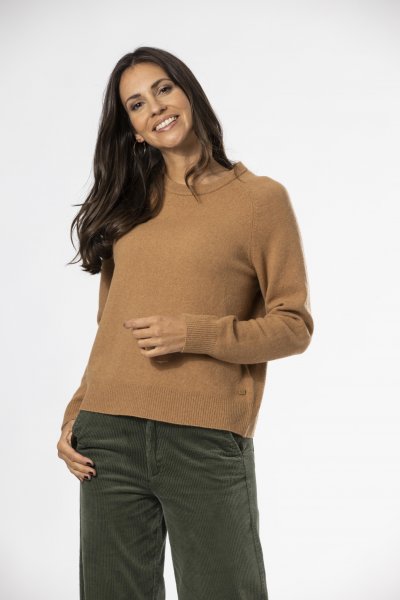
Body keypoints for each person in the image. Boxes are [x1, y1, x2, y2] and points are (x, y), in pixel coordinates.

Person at [56, 45, 314, 600]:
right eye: (136, 104)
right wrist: (77, 411)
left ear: (188, 93)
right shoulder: (127, 205)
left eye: (163, 89)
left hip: (204, 439)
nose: (155, 108)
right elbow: (109, 325)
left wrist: (196, 333)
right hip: (107, 435)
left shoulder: (260, 201)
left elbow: (294, 326)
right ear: (134, 131)